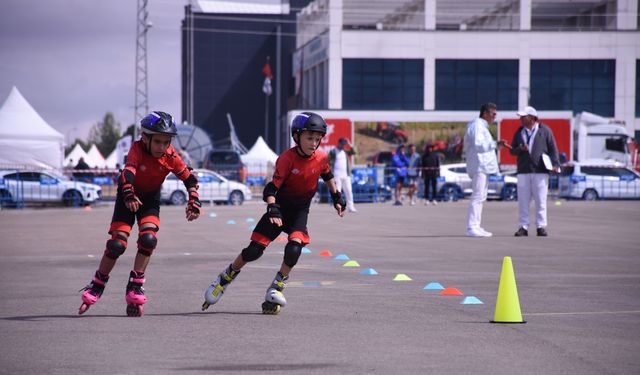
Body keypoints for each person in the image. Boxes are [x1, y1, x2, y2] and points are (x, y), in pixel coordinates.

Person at [201, 112, 346, 315]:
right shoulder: (287, 159)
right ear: (297, 136)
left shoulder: (321, 157)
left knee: (294, 250)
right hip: (278, 210)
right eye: (309, 138)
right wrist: (272, 207)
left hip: (299, 212)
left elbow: (327, 174)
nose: (314, 143)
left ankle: (276, 287)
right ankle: (226, 276)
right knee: (253, 252)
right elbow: (271, 189)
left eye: (317, 138)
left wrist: (337, 196)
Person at [78, 111, 201, 317]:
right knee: (116, 244)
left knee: (148, 239)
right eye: (158, 142)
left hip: (150, 199)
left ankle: (136, 284)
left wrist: (194, 200)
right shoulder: (137, 149)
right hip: (128, 195)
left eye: (166, 142)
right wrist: (128, 194)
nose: (162, 147)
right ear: (145, 137)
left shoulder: (170, 155)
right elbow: (128, 173)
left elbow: (189, 178)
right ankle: (97, 283)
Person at [510, 106, 560, 237]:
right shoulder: (519, 132)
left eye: (523, 117)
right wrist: (520, 148)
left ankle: (541, 226)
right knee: (523, 200)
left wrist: (555, 164)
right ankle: (523, 226)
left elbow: (553, 149)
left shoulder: (545, 131)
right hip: (523, 171)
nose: (520, 119)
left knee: (541, 200)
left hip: (540, 171)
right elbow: (512, 150)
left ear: (532, 118)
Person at [463, 103, 509, 237]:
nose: (495, 116)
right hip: (479, 166)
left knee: (481, 197)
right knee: (477, 196)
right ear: (485, 113)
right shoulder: (477, 125)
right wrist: (494, 144)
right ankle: (471, 227)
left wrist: (496, 145)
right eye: (493, 113)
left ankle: (476, 225)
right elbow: (478, 145)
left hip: (483, 166)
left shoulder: (482, 127)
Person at [329, 137, 357, 212]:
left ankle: (351, 207)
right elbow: (328, 161)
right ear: (338, 143)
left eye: (344, 144)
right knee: (338, 191)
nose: (343, 145)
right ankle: (339, 206)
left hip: (346, 175)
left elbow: (354, 152)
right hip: (337, 175)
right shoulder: (333, 151)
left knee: (349, 190)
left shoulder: (345, 152)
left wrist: (350, 145)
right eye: (342, 144)